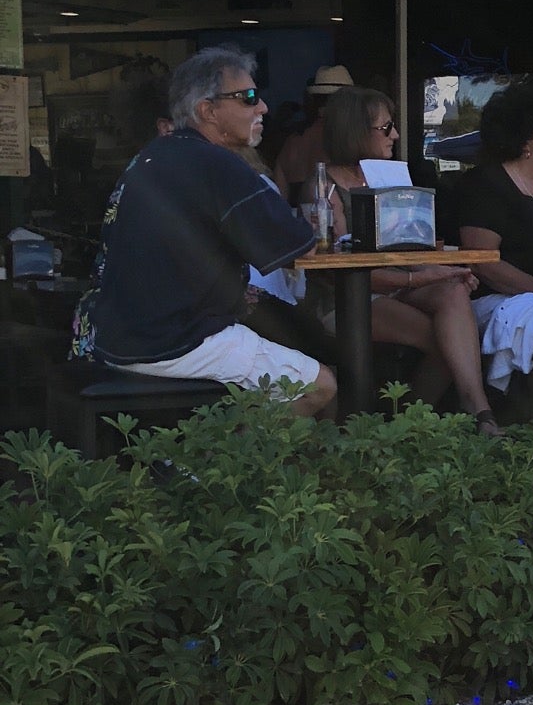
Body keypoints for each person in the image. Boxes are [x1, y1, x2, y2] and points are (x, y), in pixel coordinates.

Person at [71, 47, 336, 417]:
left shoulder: (152, 156)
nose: (262, 108)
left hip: (119, 338)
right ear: (207, 111)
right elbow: (300, 251)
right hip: (178, 337)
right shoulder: (217, 164)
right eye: (247, 98)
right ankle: (215, 473)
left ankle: (202, 459)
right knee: (318, 385)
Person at [319, 86, 502, 435]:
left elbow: (409, 245)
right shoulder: (325, 186)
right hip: (347, 298)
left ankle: (480, 412)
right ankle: (405, 426)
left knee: (453, 292)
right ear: (356, 130)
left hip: (395, 285)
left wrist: (447, 272)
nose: (397, 135)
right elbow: (345, 270)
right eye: (386, 128)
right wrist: (427, 275)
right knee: (447, 344)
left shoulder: (387, 175)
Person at [457, 81, 533, 420]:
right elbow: (482, 264)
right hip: (500, 299)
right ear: (525, 138)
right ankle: (521, 425)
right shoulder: (485, 185)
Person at [273, 64, 353, 199]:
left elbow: (280, 196)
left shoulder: (293, 141)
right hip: (333, 216)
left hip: (297, 216)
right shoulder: (347, 140)